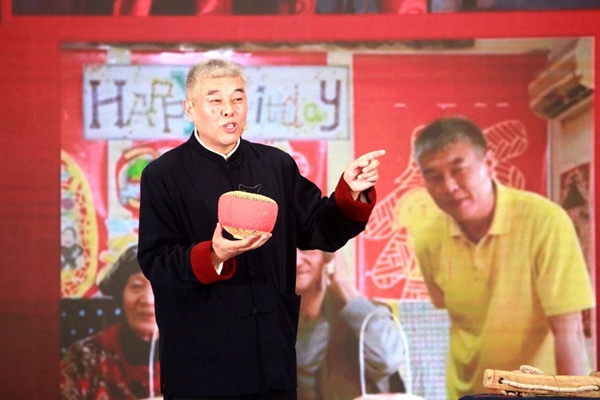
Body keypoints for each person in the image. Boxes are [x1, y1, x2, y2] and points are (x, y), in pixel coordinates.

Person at [137, 58, 385, 399]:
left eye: (237, 99)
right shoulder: (163, 175)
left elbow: (318, 229)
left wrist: (350, 191)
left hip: (271, 355)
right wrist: (213, 255)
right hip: (200, 361)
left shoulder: (276, 165)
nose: (229, 110)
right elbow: (155, 260)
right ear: (190, 109)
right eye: (215, 100)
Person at [408, 117, 595, 400]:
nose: (449, 186)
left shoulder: (545, 221)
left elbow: (569, 332)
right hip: (467, 392)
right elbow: (447, 307)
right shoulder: (428, 240)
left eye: (458, 170)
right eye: (434, 177)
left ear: (489, 163)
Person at [295, 249, 405, 400]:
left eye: (306, 248)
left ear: (328, 255)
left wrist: (346, 287)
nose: (296, 262)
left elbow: (389, 360)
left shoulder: (365, 316)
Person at [61, 245, 161, 399]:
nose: (148, 300)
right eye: (136, 286)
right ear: (121, 295)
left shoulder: (195, 354)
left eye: (160, 287)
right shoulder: (85, 357)